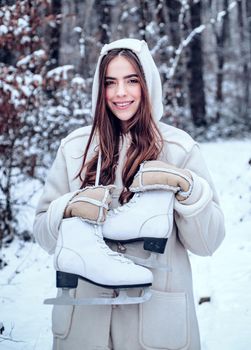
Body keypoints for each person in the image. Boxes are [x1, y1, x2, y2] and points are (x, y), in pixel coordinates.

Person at [33, 38, 225, 350]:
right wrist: (67, 209)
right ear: (100, 89)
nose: (121, 93)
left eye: (131, 81)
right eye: (111, 82)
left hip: (155, 325)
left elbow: (208, 243)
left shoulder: (179, 149)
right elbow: (43, 235)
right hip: (85, 328)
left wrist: (189, 190)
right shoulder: (75, 149)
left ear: (147, 84)